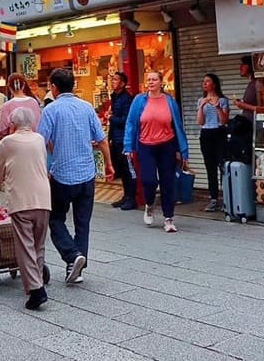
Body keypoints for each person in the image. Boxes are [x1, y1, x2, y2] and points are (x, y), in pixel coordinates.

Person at [38, 68, 114, 284]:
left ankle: (72, 256)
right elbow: (101, 140)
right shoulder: (87, 108)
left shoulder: (51, 111)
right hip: (87, 173)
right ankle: (77, 266)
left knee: (55, 219)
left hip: (62, 174)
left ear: (54, 87)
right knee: (83, 222)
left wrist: (40, 170)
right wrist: (109, 164)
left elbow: (40, 142)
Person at [0, 106, 51, 311]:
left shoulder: (7, 143)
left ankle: (36, 290)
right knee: (38, 244)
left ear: (13, 123)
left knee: (25, 246)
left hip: (21, 199)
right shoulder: (39, 140)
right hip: (43, 198)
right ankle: (38, 281)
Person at [123, 70, 189, 232]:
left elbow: (178, 126)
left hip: (167, 145)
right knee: (149, 180)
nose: (151, 82)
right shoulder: (139, 100)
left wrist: (183, 150)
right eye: (148, 80)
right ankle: (149, 204)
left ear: (161, 82)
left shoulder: (170, 101)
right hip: (146, 145)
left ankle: (169, 218)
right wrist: (128, 146)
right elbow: (131, 124)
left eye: (154, 79)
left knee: (168, 182)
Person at [196, 73, 230, 212]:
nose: (205, 84)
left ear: (214, 84)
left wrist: (217, 107)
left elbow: (224, 121)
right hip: (206, 134)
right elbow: (200, 122)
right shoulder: (201, 100)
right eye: (204, 81)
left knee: (222, 166)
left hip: (219, 132)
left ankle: (227, 198)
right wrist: (201, 107)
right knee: (210, 168)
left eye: (208, 81)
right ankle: (214, 198)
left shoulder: (222, 100)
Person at [108, 71, 136, 210]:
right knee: (122, 170)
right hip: (116, 138)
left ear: (123, 83)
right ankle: (126, 196)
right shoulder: (114, 97)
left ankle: (132, 197)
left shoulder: (126, 99)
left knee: (127, 169)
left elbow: (127, 120)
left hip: (124, 139)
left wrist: (111, 118)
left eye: (116, 79)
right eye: (112, 79)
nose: (112, 81)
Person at [0, 73, 41, 138]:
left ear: (9, 87)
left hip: (14, 142)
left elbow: (2, 130)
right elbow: (39, 124)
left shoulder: (7, 106)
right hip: (33, 140)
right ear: (23, 85)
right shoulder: (34, 102)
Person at [233, 57, 258, 123]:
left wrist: (243, 105)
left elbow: (261, 108)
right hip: (248, 123)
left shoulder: (257, 83)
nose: (240, 67)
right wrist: (241, 103)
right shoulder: (251, 83)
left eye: (243, 64)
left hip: (254, 123)